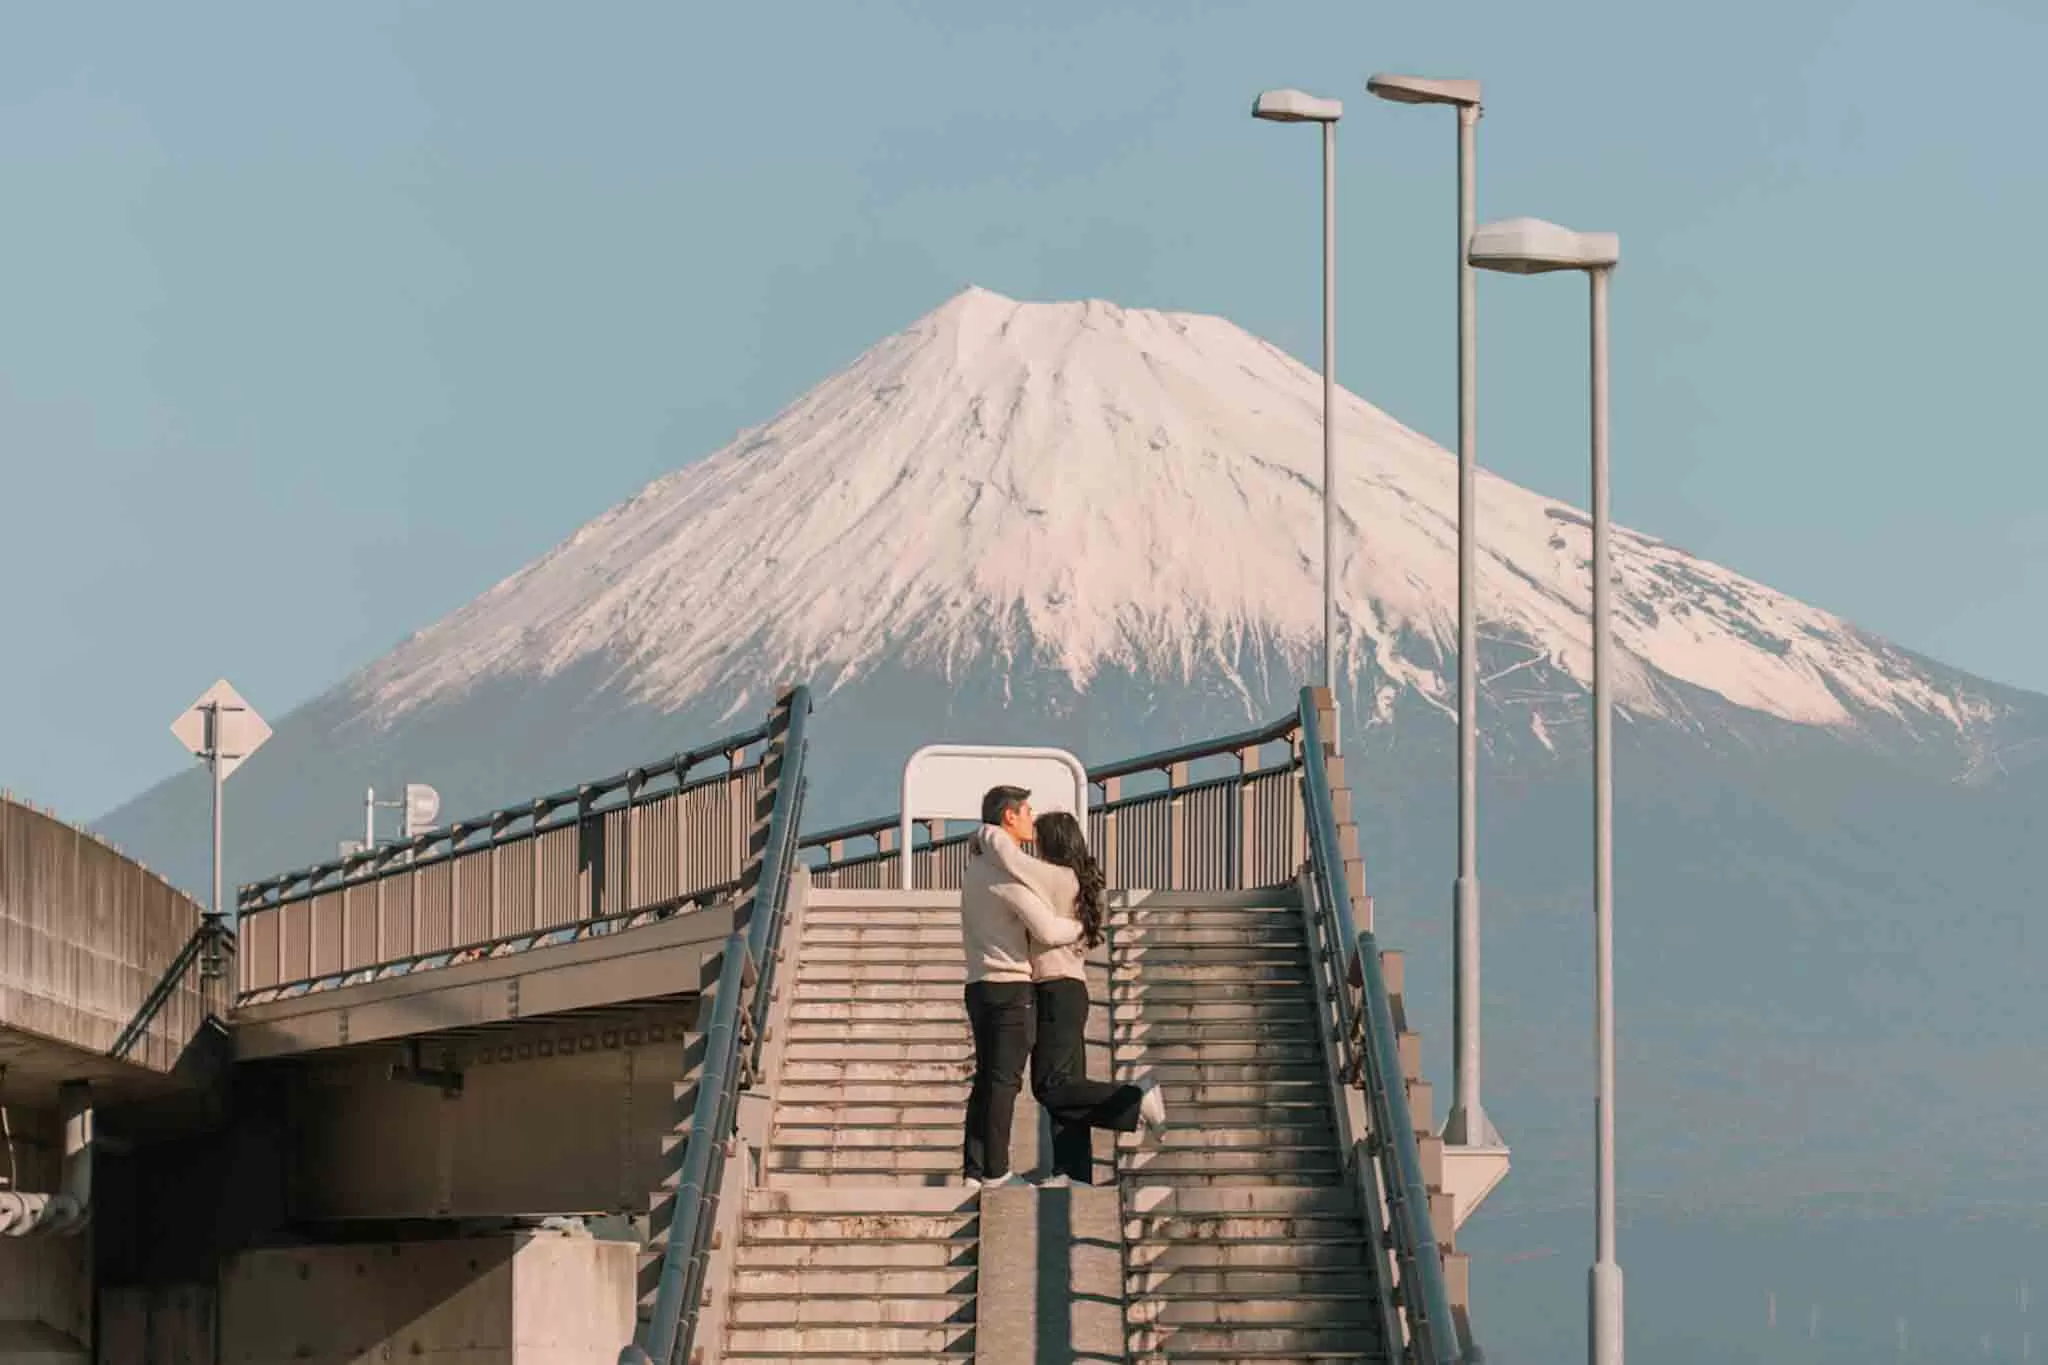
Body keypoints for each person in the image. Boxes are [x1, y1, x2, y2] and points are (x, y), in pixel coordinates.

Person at [1026, 811, 1165, 1186]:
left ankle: (1134, 1100)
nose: (1033, 849)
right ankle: (1072, 1172)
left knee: (1050, 1086)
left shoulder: (1053, 877)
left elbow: (1014, 875)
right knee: (1068, 1086)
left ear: (1050, 843)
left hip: (1055, 989)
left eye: (1037, 841)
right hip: (1070, 989)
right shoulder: (1076, 880)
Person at [957, 784, 1083, 1188]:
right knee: (1004, 1082)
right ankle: (997, 1172)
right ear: (1008, 817)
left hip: (978, 983)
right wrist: (1082, 926)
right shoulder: (1003, 870)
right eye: (1027, 811)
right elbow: (1045, 928)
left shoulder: (976, 866)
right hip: (1009, 983)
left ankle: (975, 1170)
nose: (1033, 818)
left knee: (986, 1079)